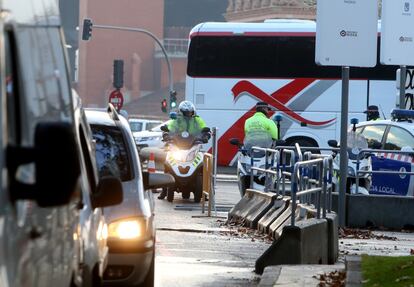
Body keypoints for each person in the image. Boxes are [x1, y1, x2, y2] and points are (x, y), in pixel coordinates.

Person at [158, 100, 209, 200]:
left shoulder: (197, 120)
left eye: (191, 112)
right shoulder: (176, 120)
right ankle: (164, 191)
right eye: (186, 113)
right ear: (181, 112)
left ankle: (205, 192)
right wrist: (166, 134)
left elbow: (204, 127)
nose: (189, 115)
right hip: (178, 145)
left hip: (193, 145)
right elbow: (169, 127)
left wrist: (205, 134)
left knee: (203, 166)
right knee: (167, 164)